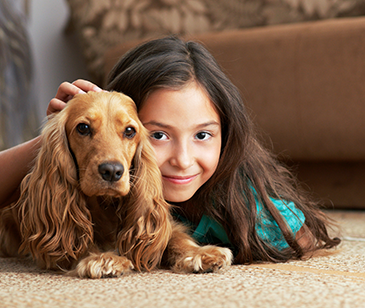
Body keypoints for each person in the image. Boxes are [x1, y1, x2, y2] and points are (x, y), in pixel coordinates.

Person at [0, 36, 340, 264]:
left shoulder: (243, 203)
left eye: (203, 135)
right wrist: (55, 135)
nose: (183, 159)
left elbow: (302, 240)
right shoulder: (91, 176)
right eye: (159, 135)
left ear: (226, 135)